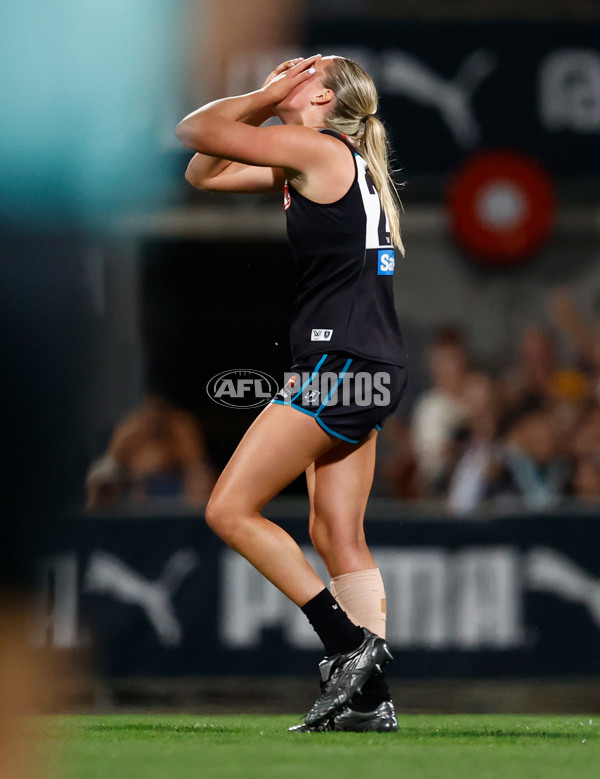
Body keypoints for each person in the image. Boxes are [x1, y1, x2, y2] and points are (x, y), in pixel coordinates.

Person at [176, 54, 408, 732]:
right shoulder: (319, 158)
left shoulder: (315, 148)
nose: (287, 70)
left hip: (339, 362)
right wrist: (276, 95)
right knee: (336, 532)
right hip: (369, 362)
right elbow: (205, 171)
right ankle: (370, 701)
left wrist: (264, 92)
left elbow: (194, 130)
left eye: (302, 69)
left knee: (228, 508)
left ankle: (348, 645)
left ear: (324, 94)